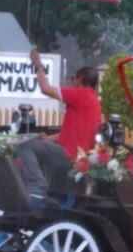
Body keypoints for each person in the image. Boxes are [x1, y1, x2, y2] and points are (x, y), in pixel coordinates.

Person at [19, 49, 101, 207]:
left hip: (69, 157)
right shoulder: (94, 102)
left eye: (73, 78)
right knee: (35, 144)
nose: (71, 82)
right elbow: (72, 133)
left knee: (25, 145)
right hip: (75, 156)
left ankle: (37, 187)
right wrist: (47, 139)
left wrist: (38, 65)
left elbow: (45, 88)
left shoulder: (81, 94)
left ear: (80, 79)